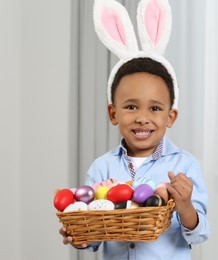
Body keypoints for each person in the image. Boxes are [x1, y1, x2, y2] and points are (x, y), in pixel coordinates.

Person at [59, 57, 210, 259]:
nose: (142, 118)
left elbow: (199, 235)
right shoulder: (102, 167)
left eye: (155, 108)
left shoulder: (184, 165)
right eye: (131, 107)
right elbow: (94, 235)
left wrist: (186, 208)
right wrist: (79, 236)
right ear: (113, 114)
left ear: (170, 117)